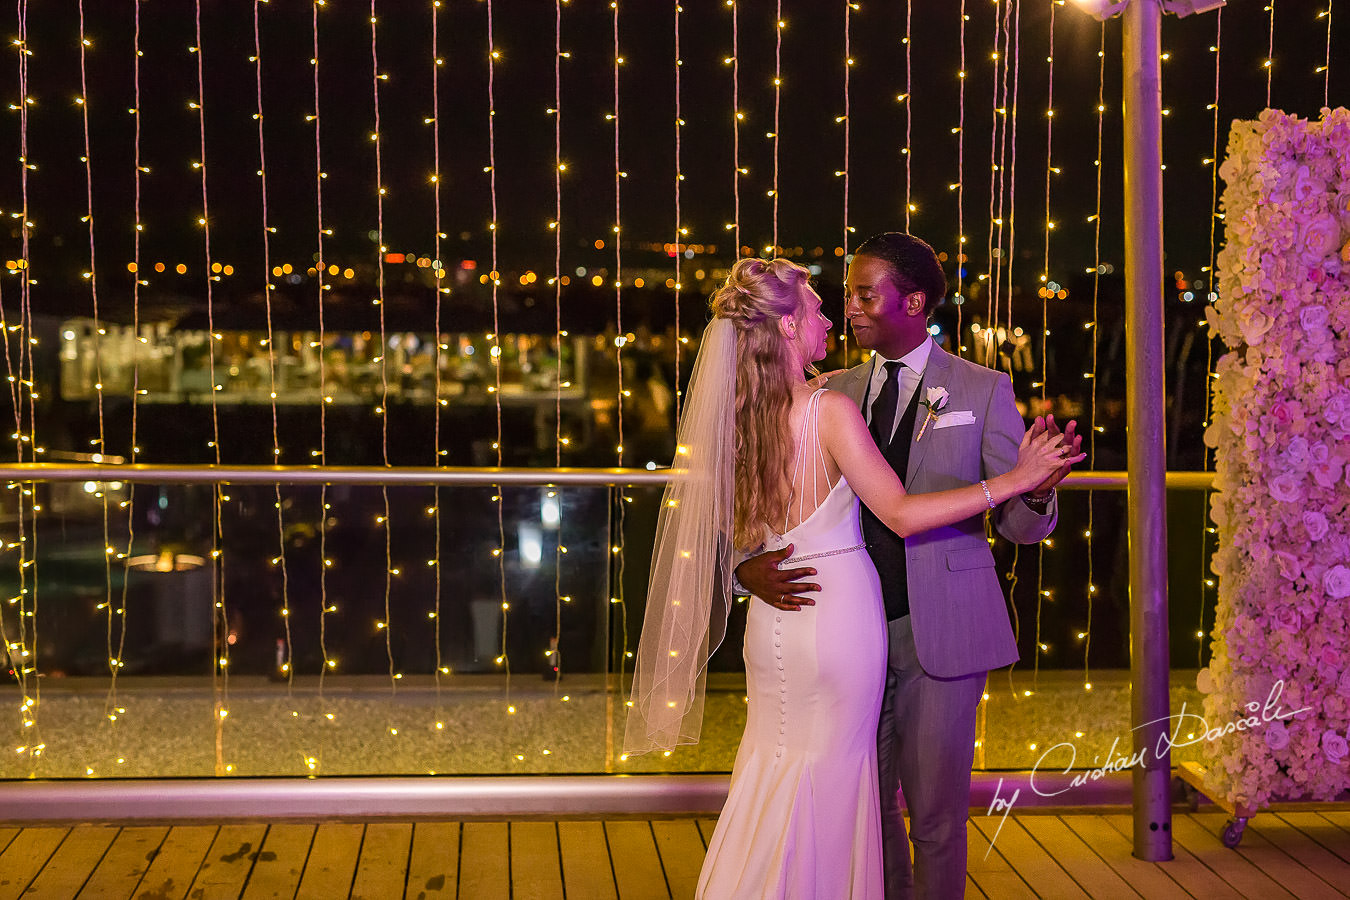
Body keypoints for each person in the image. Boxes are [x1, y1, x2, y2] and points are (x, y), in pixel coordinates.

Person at [624, 256, 1082, 898]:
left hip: (902, 632)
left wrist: (1028, 493)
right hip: (843, 624)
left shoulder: (975, 388)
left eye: (864, 293)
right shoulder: (832, 397)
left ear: (916, 301)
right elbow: (891, 512)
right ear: (784, 328)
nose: (837, 312)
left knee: (809, 778)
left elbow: (720, 513)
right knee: (841, 786)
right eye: (821, 305)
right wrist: (742, 569)